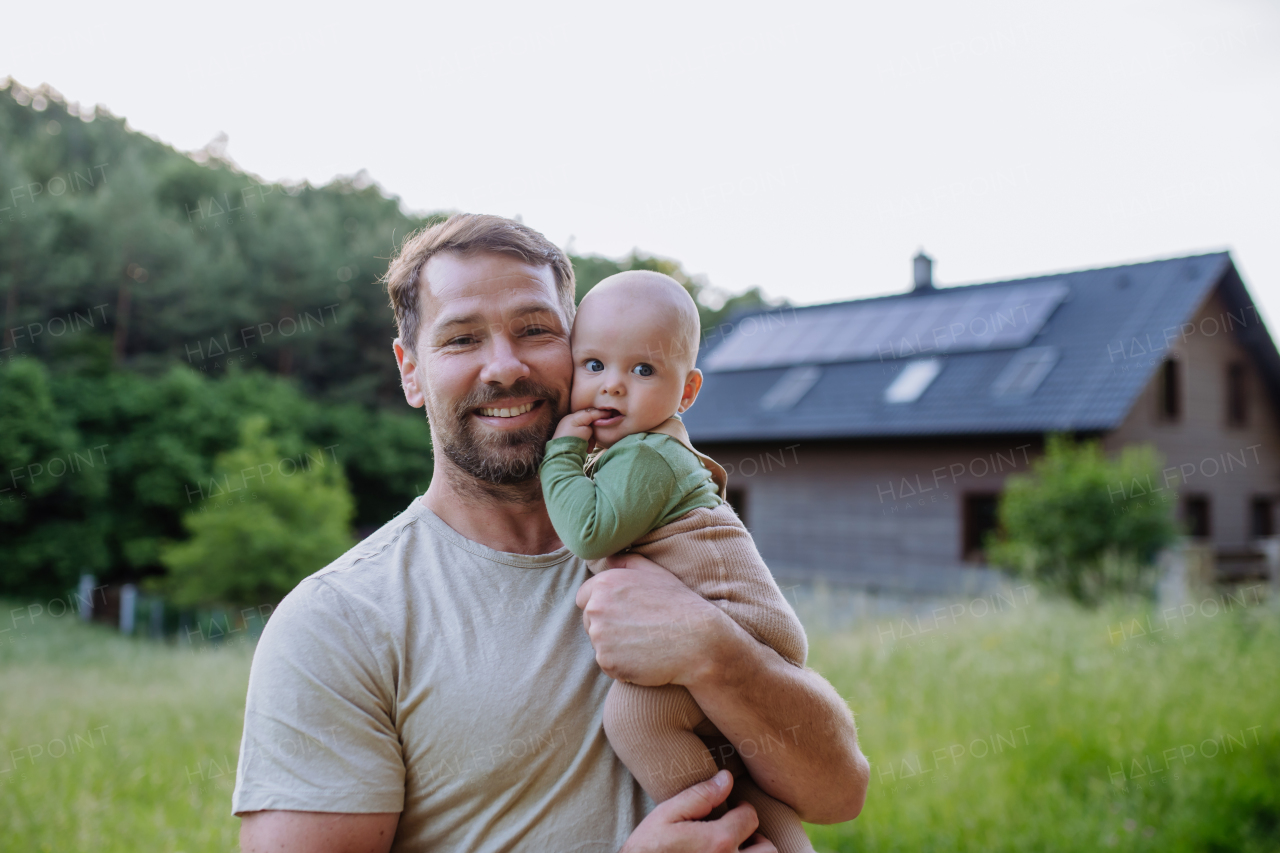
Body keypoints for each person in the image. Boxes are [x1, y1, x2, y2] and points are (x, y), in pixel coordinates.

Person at [234, 213, 869, 853]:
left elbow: (838, 794)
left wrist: (714, 650)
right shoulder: (335, 623)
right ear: (410, 370)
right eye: (461, 339)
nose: (504, 366)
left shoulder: (671, 539)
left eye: (536, 331)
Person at [540, 271, 813, 852]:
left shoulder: (650, 452)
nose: (611, 387)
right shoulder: (639, 449)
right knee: (740, 767)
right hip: (738, 624)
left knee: (635, 718)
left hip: (734, 624)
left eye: (642, 370)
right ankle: (773, 835)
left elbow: (588, 533)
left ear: (686, 392)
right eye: (593, 366)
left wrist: (558, 453)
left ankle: (721, 833)